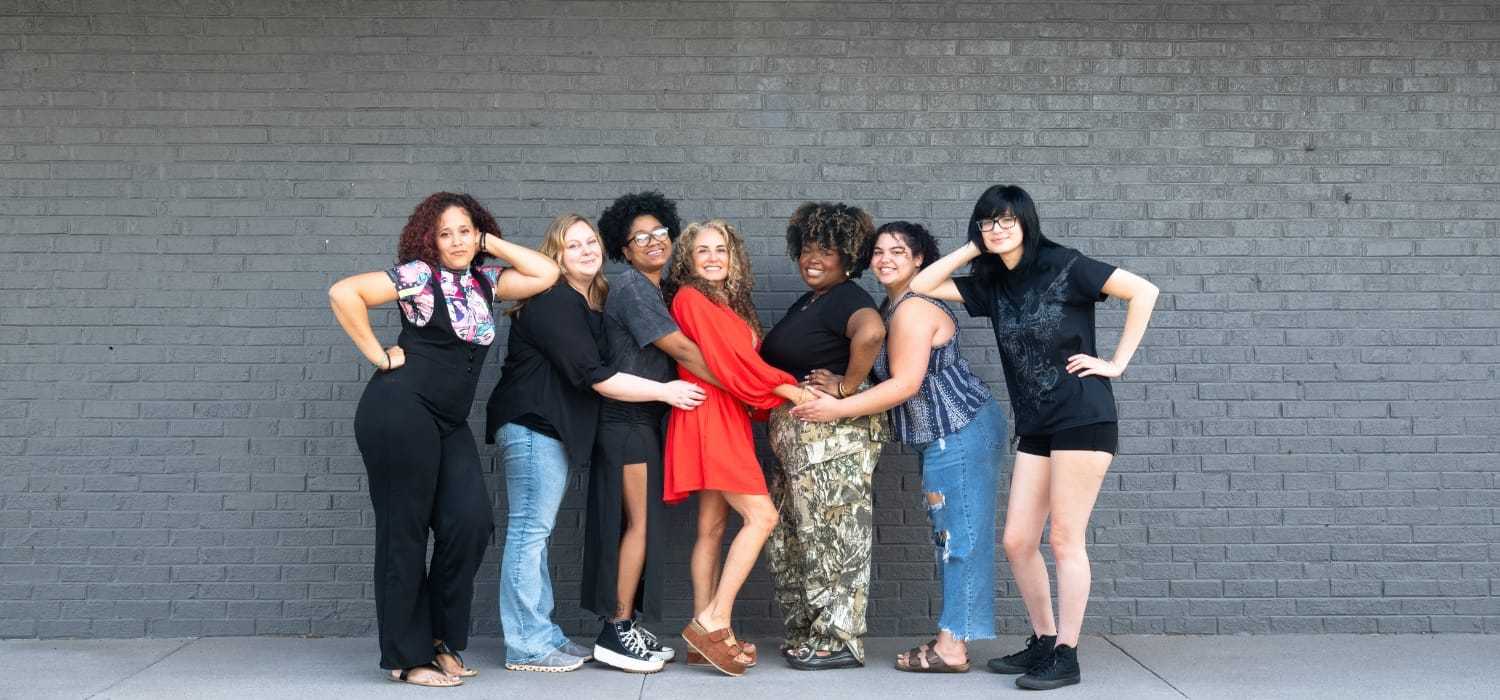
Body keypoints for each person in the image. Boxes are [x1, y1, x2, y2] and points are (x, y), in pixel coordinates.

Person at [909, 185, 1159, 690]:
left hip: (1082, 417)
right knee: (1018, 540)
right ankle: (1044, 641)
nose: (997, 229)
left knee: (1064, 538)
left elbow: (1143, 291)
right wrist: (975, 246)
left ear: (1026, 221)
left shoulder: (1065, 264)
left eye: (1006, 220)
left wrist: (1116, 362)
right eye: (987, 222)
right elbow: (923, 283)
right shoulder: (993, 284)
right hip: (1038, 423)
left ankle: (1066, 654)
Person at [328, 192, 559, 687]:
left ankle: (438, 640)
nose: (455, 241)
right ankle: (406, 658)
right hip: (400, 411)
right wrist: (379, 355)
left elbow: (545, 273)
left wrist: (488, 242)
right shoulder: (418, 276)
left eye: (464, 231)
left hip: (448, 421)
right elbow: (344, 293)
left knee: (470, 523)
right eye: (444, 233)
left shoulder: (486, 281)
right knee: (405, 530)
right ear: (428, 240)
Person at [485, 214, 707, 673]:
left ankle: (543, 635)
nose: (586, 250)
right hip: (532, 425)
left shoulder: (592, 301)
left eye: (590, 242)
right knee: (530, 533)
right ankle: (527, 644)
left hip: (553, 430)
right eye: (573, 245)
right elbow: (595, 376)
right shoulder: (553, 300)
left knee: (537, 533)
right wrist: (665, 391)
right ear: (556, 255)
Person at [792, 221, 1007, 674]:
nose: (885, 259)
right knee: (950, 536)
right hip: (943, 435)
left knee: (959, 539)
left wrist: (837, 409)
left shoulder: (913, 309)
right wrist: (845, 383)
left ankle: (952, 647)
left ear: (919, 259)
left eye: (898, 252)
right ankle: (952, 637)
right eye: (878, 252)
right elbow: (892, 374)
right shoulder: (892, 307)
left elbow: (905, 385)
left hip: (961, 430)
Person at [583, 192, 722, 672]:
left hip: (641, 423)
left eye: (660, 232)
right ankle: (616, 629)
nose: (653, 241)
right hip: (626, 423)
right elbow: (679, 349)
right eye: (639, 238)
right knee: (638, 525)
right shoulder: (632, 289)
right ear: (624, 250)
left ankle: (627, 622)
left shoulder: (655, 289)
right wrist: (735, 383)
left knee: (639, 526)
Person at [663, 220, 809, 677]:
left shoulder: (727, 303)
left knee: (711, 527)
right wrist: (790, 390)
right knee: (762, 517)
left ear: (733, 257)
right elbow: (734, 364)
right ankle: (714, 620)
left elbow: (740, 365)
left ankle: (702, 636)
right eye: (702, 250)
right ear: (687, 259)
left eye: (720, 249)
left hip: (725, 414)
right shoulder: (691, 298)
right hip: (710, 415)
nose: (712, 257)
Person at [758, 202, 887, 670]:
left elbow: (871, 333)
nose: (813, 259)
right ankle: (810, 631)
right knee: (794, 538)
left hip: (833, 443)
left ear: (848, 256)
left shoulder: (847, 298)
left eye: (827, 250)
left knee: (835, 535)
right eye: (807, 249)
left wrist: (847, 387)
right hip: (800, 444)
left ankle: (839, 640)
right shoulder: (812, 300)